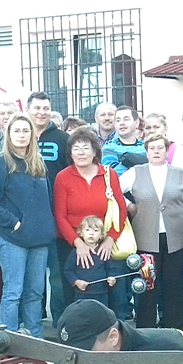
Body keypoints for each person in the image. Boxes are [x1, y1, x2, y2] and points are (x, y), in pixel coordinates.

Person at [120, 133, 183, 330]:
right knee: (146, 283)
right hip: (145, 237)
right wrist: (129, 205)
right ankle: (146, 327)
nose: (156, 152)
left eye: (160, 148)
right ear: (146, 152)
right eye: (152, 148)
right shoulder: (135, 172)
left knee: (173, 283)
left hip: (175, 236)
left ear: (167, 151)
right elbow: (113, 191)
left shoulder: (179, 173)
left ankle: (173, 326)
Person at [0, 113, 54, 337]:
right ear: (8, 134)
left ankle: (36, 340)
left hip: (39, 240)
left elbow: (47, 200)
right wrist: (14, 223)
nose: (21, 135)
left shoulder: (38, 163)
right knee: (13, 292)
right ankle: (9, 341)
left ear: (32, 134)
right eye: (17, 131)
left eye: (25, 131)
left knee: (35, 293)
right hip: (13, 239)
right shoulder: (0, 163)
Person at [53, 127, 130, 316]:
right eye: (76, 148)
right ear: (70, 153)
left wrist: (110, 239)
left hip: (104, 243)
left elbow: (121, 209)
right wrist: (78, 244)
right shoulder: (63, 177)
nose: (81, 153)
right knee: (73, 292)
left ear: (95, 151)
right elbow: (60, 216)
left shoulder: (109, 174)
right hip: (71, 244)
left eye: (86, 148)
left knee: (111, 292)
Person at [26, 91, 71, 324]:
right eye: (37, 108)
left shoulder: (63, 139)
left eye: (45, 108)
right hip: (27, 217)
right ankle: (33, 321)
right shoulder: (20, 136)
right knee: (32, 274)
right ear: (28, 110)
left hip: (57, 215)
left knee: (58, 273)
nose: (41, 112)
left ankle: (60, 321)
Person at [63, 215, 118, 305]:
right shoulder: (75, 252)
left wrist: (112, 278)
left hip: (102, 293)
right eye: (87, 230)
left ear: (101, 235)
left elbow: (111, 269)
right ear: (81, 233)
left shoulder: (103, 252)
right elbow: (68, 270)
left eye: (96, 231)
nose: (91, 233)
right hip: (82, 294)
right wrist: (76, 282)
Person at [101, 105, 146, 175]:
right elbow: (112, 174)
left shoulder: (146, 147)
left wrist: (127, 160)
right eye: (118, 120)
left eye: (126, 119)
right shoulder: (109, 148)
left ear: (137, 123)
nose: (121, 123)